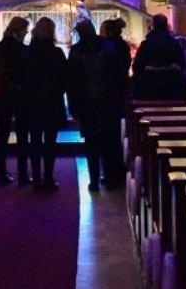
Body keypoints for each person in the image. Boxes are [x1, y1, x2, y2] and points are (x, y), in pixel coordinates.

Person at [20, 16, 68, 189]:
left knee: (34, 140)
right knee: (50, 142)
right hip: (51, 101)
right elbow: (65, 79)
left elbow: (22, 78)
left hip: (31, 102)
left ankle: (36, 178)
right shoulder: (57, 53)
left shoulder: (26, 53)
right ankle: (48, 176)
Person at [66, 19, 109, 191]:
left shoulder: (76, 51)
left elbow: (71, 81)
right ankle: (109, 176)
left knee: (91, 144)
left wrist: (73, 105)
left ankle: (94, 180)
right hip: (105, 100)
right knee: (106, 141)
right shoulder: (106, 46)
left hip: (86, 102)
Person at [0, 16, 29, 185]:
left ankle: (2, 172)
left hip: (3, 94)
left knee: (2, 135)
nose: (26, 33)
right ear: (19, 31)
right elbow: (27, 73)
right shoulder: (23, 50)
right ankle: (22, 174)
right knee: (22, 135)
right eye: (25, 30)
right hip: (20, 95)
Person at [97, 18, 131, 188]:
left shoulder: (106, 47)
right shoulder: (123, 46)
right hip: (120, 92)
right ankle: (120, 170)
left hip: (107, 94)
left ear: (107, 31)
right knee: (118, 133)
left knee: (108, 136)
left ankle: (109, 173)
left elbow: (102, 68)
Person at [132, 13, 186, 101]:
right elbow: (182, 64)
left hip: (149, 88)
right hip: (173, 87)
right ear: (166, 26)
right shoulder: (174, 43)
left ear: (153, 26)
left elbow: (137, 67)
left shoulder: (146, 44)